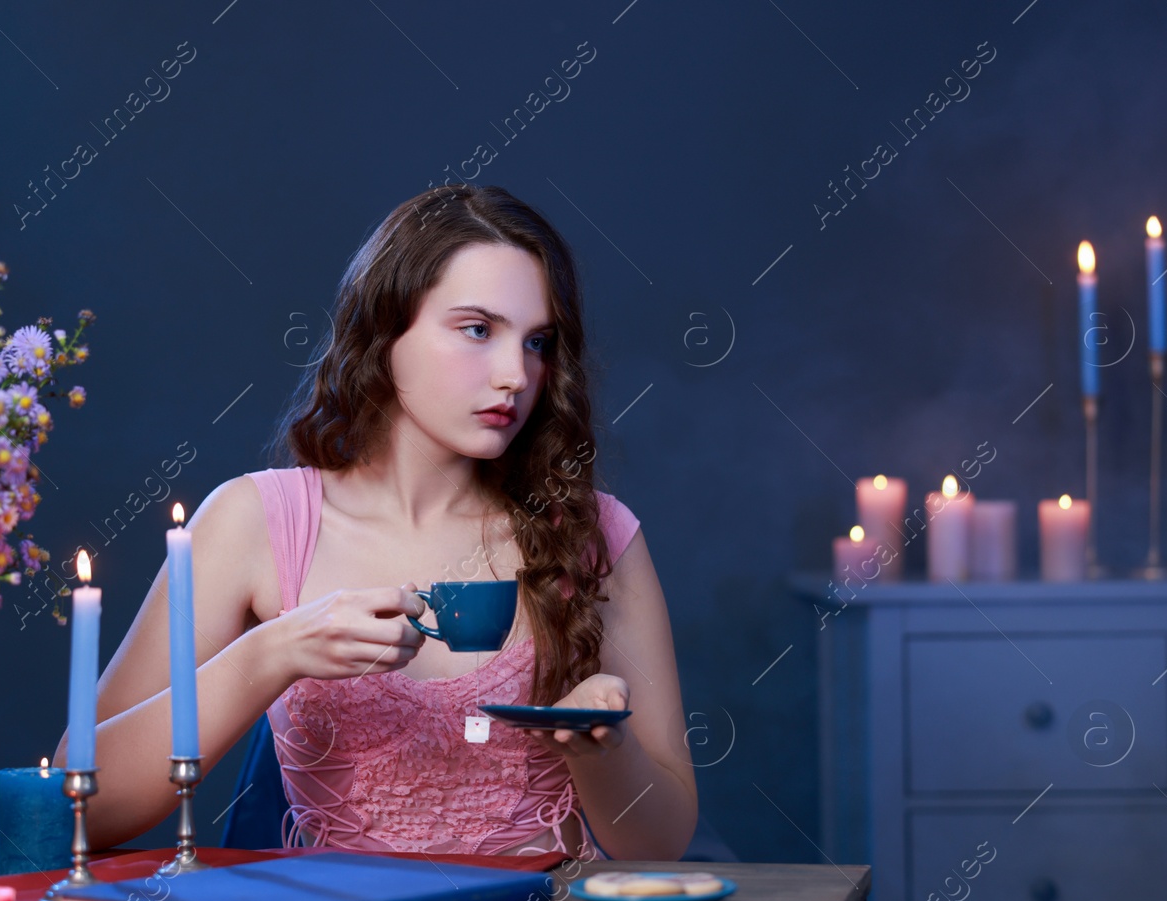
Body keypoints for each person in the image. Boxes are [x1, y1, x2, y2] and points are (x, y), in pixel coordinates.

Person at [57, 184, 696, 860]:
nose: (515, 373)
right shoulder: (257, 522)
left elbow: (660, 844)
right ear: (386, 330)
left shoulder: (595, 533)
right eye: (477, 329)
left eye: (536, 342)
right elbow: (82, 804)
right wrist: (272, 652)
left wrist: (603, 748)